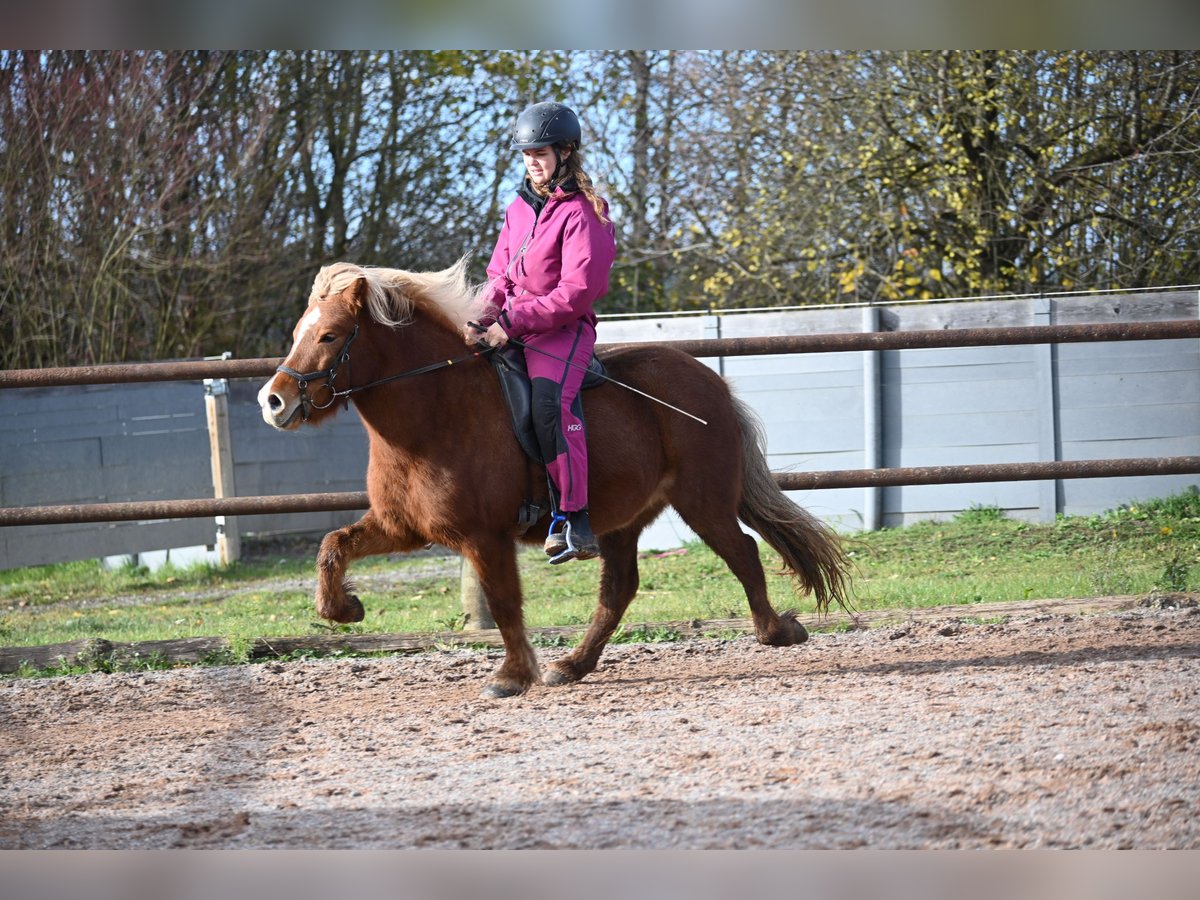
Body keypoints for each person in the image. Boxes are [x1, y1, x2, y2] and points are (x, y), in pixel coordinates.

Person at [467, 101, 617, 564]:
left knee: (549, 404)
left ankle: (574, 515)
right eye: (527, 153)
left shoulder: (584, 213)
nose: (532, 161)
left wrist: (510, 323)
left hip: (562, 329)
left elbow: (576, 292)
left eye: (541, 152)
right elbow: (499, 275)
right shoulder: (518, 208)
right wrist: (477, 319)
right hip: (514, 326)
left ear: (566, 153)